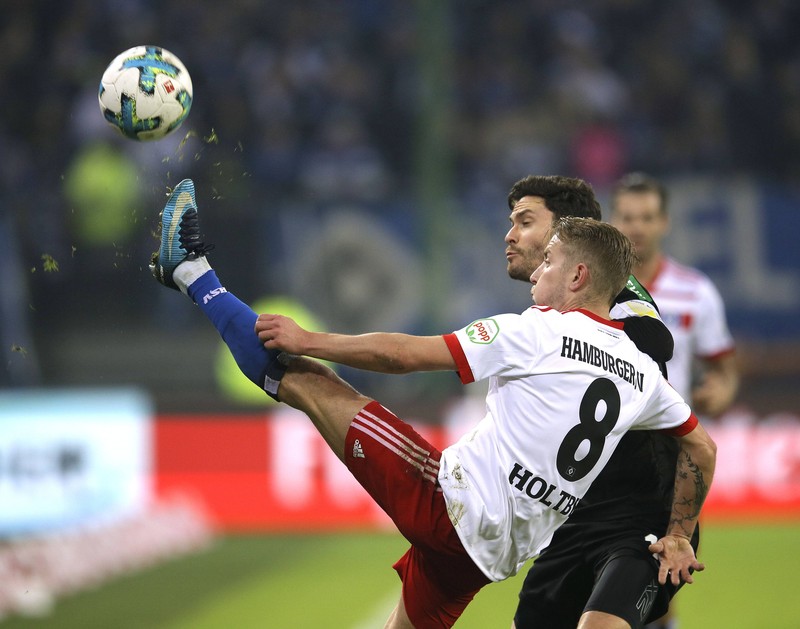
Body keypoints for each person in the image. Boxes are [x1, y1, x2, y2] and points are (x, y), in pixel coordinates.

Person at [149, 179, 716, 629]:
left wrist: (310, 338)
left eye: (528, 227)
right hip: (486, 558)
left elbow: (401, 355)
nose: (515, 242)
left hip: (449, 503)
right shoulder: (640, 366)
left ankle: (190, 270)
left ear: (576, 267)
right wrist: (682, 532)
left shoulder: (536, 331)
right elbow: (699, 439)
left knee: (302, 378)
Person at [501, 175, 696, 629]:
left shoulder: (619, 296)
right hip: (577, 514)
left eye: (525, 222)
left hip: (636, 515)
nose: (510, 236)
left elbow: (654, 339)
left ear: (568, 233)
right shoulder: (552, 309)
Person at [610, 172, 739, 419]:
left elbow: (724, 370)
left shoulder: (695, 292)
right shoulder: (592, 288)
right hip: (611, 440)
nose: (637, 228)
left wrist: (719, 393)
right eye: (627, 218)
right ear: (613, 221)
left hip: (672, 440)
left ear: (664, 222)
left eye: (647, 218)